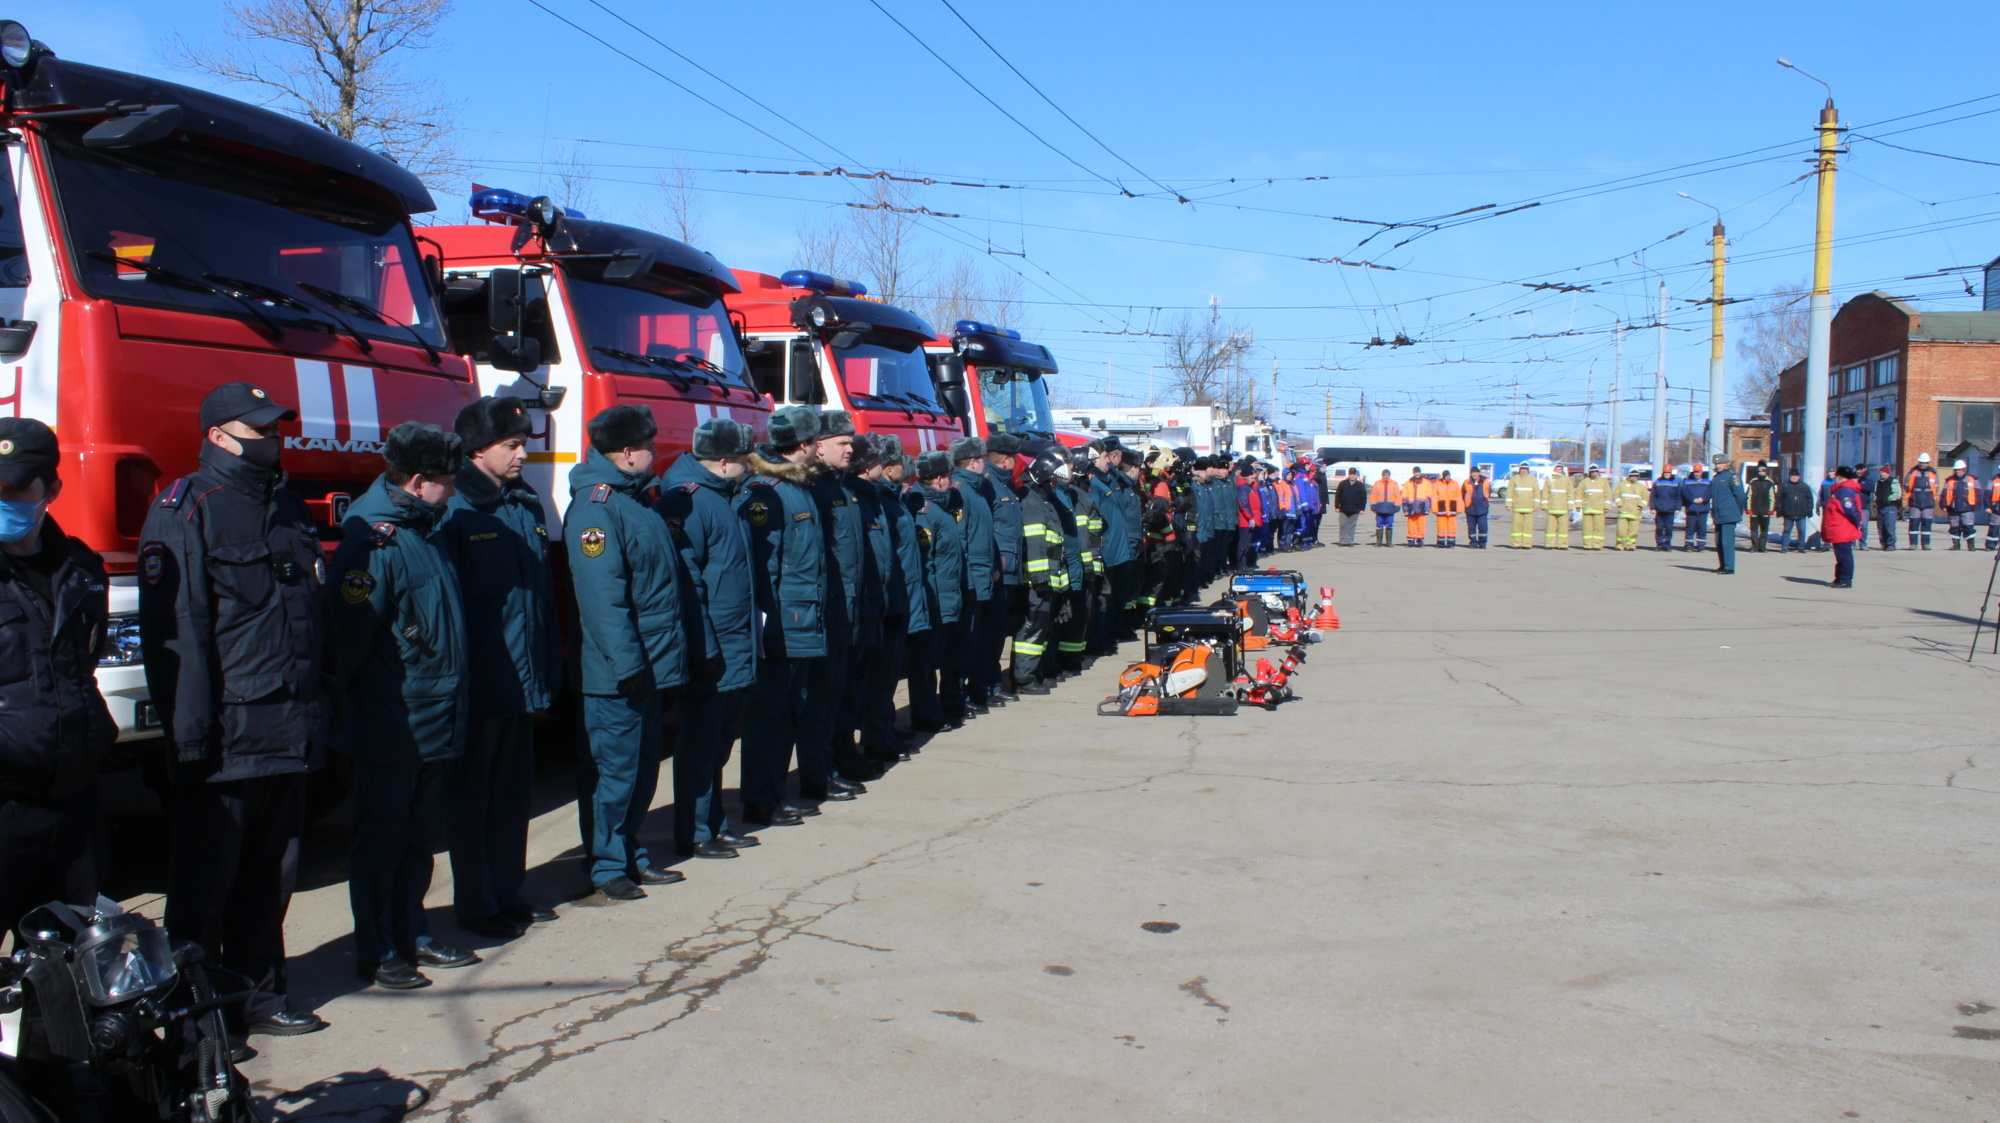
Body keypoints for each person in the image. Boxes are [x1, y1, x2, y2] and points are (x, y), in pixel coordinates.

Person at [137, 385, 328, 1034]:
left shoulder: (289, 509)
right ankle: (196, 1020)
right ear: (218, 435)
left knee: (270, 880)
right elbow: (180, 636)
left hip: (287, 728)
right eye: (258, 430)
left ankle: (260, 998)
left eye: (275, 428)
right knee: (203, 891)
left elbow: (309, 623)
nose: (272, 439)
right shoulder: (187, 508)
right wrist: (189, 735)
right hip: (225, 737)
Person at [325, 422, 478, 990]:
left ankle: (412, 930)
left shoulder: (426, 530)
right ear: (418, 482)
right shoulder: (375, 541)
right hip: (394, 719)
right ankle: (379, 946)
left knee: (417, 839)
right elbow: (349, 641)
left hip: (434, 712)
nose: (455, 491)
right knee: (382, 840)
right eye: (446, 481)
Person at [438, 396, 560, 938]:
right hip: (483, 677)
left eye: (524, 445)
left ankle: (508, 891)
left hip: (523, 676)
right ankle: (476, 902)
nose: (521, 456)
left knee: (512, 796)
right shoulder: (456, 510)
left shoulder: (524, 503)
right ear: (477, 449)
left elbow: (538, 599)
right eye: (512, 446)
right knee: (474, 799)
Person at [563, 405, 688, 902]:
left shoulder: (638, 501)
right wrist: (627, 662)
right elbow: (602, 597)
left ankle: (630, 853)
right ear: (628, 452)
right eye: (650, 447)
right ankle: (605, 864)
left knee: (641, 768)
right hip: (618, 670)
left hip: (652, 661)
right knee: (612, 772)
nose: (656, 455)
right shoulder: (597, 507)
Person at [0, 419, 114, 960]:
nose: (3, 497)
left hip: (72, 799)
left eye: (16, 487)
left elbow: (81, 667)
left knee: (71, 955)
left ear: (51, 490)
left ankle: (54, 1049)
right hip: (6, 802)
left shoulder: (83, 570)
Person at [658, 418, 761, 859]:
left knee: (719, 740)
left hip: (735, 639)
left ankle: (713, 821)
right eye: (743, 460)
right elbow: (689, 581)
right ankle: (695, 829)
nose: (749, 468)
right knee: (701, 742)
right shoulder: (692, 502)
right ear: (723, 462)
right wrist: (705, 647)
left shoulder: (725, 496)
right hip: (713, 643)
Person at [738, 406, 826, 824]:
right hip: (782, 624)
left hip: (802, 621)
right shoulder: (766, 490)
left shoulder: (799, 486)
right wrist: (766, 629)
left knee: (790, 709)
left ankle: (773, 791)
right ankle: (760, 798)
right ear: (805, 445)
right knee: (768, 714)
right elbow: (763, 567)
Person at [803, 411, 871, 794]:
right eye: (843, 443)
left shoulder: (840, 486)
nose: (851, 449)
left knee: (836, 697)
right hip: (828, 611)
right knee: (820, 700)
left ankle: (832, 763)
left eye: (851, 442)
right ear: (818, 445)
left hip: (848, 609)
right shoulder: (816, 489)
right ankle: (818, 775)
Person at [905, 452, 966, 731]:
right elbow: (925, 561)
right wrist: (930, 601)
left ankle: (940, 707)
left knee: (943, 656)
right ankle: (926, 714)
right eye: (949, 477)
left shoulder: (940, 507)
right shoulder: (925, 512)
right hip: (935, 599)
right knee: (926, 663)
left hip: (946, 597)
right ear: (940, 479)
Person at [950, 437, 1000, 708]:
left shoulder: (977, 490)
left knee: (974, 643)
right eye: (982, 459)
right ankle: (958, 697)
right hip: (971, 582)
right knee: (962, 646)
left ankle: (970, 693)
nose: (985, 463)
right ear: (973, 461)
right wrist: (970, 579)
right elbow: (961, 542)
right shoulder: (962, 491)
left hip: (982, 578)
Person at [980, 433, 1025, 702]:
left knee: (998, 634)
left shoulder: (1004, 486)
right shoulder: (989, 485)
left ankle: (992, 683)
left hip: (1009, 571)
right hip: (999, 572)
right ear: (1005, 459)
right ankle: (986, 685)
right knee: (990, 634)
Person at [1822, 465, 1865, 588]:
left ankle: (1845, 579)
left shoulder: (1844, 491)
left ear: (1840, 477)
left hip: (1843, 528)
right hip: (1838, 528)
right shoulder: (1840, 490)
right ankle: (1839, 578)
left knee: (1844, 555)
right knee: (1840, 555)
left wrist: (1858, 522)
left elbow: (1850, 510)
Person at [1708, 457, 1746, 574]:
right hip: (1718, 514)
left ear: (1726, 463)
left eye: (1720, 463)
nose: (1718, 465)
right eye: (1716, 463)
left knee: (1727, 541)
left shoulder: (1732, 476)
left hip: (1729, 513)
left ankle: (1729, 566)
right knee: (1719, 541)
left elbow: (1740, 496)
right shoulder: (1717, 477)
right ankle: (1723, 565)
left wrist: (1737, 511)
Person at [1940, 459, 1982, 551]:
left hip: (1968, 508)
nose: (1957, 471)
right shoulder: (1949, 480)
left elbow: (1978, 494)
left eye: (1959, 469)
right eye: (1956, 469)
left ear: (1964, 469)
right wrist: (1943, 505)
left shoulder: (1973, 480)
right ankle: (1956, 545)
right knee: (1954, 527)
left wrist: (1977, 506)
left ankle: (1971, 546)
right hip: (1953, 508)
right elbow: (1944, 493)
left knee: (1968, 527)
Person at [1905, 452, 1938, 550]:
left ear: (1928, 463)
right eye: (1922, 462)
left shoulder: (1932, 473)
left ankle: (1926, 544)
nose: (1923, 464)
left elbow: (1936, 487)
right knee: (1914, 523)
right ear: (1919, 462)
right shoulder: (1913, 472)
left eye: (1925, 462)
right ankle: (1913, 544)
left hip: (1928, 503)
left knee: (1927, 524)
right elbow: (1906, 485)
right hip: (1915, 502)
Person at [1576, 464, 1612, 550]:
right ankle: (1587, 545)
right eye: (1592, 472)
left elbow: (1608, 495)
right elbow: (1579, 494)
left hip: (1599, 509)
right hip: (1587, 508)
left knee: (1598, 528)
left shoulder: (1603, 482)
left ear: (1598, 472)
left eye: (1595, 471)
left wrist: (1607, 506)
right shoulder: (1584, 482)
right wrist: (1578, 506)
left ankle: (1597, 545)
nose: (1593, 473)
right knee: (1586, 528)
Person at [1777, 468, 1814, 552]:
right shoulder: (1785, 486)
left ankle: (1801, 547)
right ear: (1789, 476)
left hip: (1801, 513)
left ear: (1799, 477)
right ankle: (1784, 547)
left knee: (1802, 530)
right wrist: (1779, 509)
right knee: (1787, 530)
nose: (1794, 477)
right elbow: (1779, 499)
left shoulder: (1804, 486)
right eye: (1792, 476)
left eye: (1796, 476)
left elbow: (1809, 499)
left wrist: (1809, 510)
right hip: (1788, 513)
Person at [1538, 464, 1574, 549]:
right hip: (1551, 508)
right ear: (1554, 470)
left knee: (1563, 529)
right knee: (1550, 528)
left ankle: (1563, 545)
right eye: (1557, 469)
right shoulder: (1549, 480)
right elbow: (1545, 493)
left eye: (1560, 469)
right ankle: (1549, 544)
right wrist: (1544, 505)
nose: (1558, 471)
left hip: (1563, 508)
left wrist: (1570, 506)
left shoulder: (1567, 480)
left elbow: (1570, 493)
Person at [1745, 464, 1778, 553]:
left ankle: (1762, 547)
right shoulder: (1753, 482)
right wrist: (1748, 508)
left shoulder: (1770, 483)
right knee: (1754, 530)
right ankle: (1754, 546)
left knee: (1764, 530)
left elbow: (1772, 497)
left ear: (1766, 472)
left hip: (1765, 510)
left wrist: (1771, 509)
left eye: (1763, 471)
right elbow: (1748, 496)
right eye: (1760, 471)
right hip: (1754, 510)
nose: (1761, 473)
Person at [1680, 464, 1712, 552]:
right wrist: (1692, 500)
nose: (1697, 474)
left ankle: (1701, 546)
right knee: (1690, 528)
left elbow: (1709, 492)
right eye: (1695, 472)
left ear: (1702, 472)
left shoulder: (1708, 482)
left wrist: (1703, 499)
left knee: (1702, 528)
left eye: (1698, 472)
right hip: (1691, 508)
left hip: (1703, 508)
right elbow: (1684, 492)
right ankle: (1689, 545)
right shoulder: (1687, 482)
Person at [1613, 469, 1647, 551]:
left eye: (1636, 476)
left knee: (1633, 531)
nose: (1634, 477)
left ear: (1638, 477)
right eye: (1632, 476)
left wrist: (1640, 505)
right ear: (1629, 476)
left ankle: (1630, 545)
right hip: (1623, 512)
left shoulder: (1641, 487)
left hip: (1635, 512)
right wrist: (1620, 504)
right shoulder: (1621, 485)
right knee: (1621, 530)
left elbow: (1646, 497)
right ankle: (1620, 545)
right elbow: (1615, 495)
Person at [1649, 465, 1681, 551]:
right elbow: (1653, 496)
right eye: (1666, 472)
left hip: (1670, 509)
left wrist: (1678, 507)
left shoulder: (1676, 483)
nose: (1667, 474)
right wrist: (1652, 507)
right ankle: (1659, 544)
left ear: (1671, 473)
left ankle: (1667, 544)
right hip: (1659, 509)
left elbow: (1678, 496)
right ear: (1663, 472)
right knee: (1659, 527)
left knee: (1669, 528)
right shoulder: (1657, 482)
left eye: (1668, 473)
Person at [1334, 467, 1367, 547]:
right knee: (1343, 525)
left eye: (1353, 474)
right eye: (1350, 474)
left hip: (1355, 510)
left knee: (1351, 526)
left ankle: (1350, 541)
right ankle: (1342, 541)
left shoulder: (1360, 485)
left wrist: (1362, 509)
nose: (1352, 476)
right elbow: (1338, 495)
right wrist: (1337, 506)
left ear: (1356, 475)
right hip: (1343, 509)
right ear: (1349, 475)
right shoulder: (1342, 484)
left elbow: (1363, 498)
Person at [1506, 464, 1537, 548]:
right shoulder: (1514, 479)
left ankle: (1527, 544)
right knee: (1516, 527)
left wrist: (1536, 505)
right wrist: (1508, 505)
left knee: (1528, 527)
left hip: (1529, 507)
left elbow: (1536, 493)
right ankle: (1516, 544)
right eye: (1522, 469)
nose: (1523, 470)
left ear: (1528, 470)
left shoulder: (1533, 479)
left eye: (1525, 469)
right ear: (1519, 470)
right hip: (1517, 507)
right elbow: (1510, 492)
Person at [1872, 465, 1901, 550]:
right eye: (1880, 472)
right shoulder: (1879, 482)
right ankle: (1883, 544)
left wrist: (1888, 499)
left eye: (1883, 472)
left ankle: (1891, 545)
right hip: (1880, 507)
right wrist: (1876, 500)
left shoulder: (1893, 481)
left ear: (1888, 473)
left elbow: (1897, 493)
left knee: (1889, 526)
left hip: (1890, 507)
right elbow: (1875, 493)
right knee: (1881, 527)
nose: (1881, 474)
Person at [1369, 469, 1401, 548]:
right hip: (1380, 508)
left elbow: (1398, 496)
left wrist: (1397, 506)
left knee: (1389, 525)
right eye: (1385, 475)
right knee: (1379, 525)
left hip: (1390, 508)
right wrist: (1373, 506)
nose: (1386, 476)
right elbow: (1373, 496)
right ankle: (1379, 542)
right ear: (1382, 475)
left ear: (1389, 476)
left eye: (1387, 475)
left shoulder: (1394, 484)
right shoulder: (1377, 484)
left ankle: (1389, 542)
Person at [1401, 466, 1431, 547]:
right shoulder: (1408, 483)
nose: (1417, 473)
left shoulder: (1426, 483)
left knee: (1421, 525)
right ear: (1413, 473)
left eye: (1418, 472)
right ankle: (1411, 541)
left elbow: (1428, 497)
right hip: (1411, 508)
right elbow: (1404, 497)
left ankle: (1420, 541)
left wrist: (1427, 509)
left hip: (1421, 507)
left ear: (1420, 473)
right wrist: (1405, 509)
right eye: (1415, 472)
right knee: (1411, 525)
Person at [1462, 468, 1491, 548]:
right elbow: (1463, 494)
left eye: (1475, 473)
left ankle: (1482, 543)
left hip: (1482, 509)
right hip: (1470, 509)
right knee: (1471, 528)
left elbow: (1489, 493)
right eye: (1472, 473)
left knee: (1483, 527)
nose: (1474, 474)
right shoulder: (1466, 482)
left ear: (1479, 473)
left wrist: (1485, 504)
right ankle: (1473, 543)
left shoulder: (1485, 482)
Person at [1432, 469, 1461, 547]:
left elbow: (1459, 497)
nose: (1448, 477)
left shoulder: (1455, 484)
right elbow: (1434, 497)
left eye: (1449, 476)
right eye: (1446, 476)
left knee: (1452, 528)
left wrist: (1459, 509)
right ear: (1443, 477)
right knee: (1441, 528)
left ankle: (1451, 543)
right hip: (1441, 510)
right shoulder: (1437, 484)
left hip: (1452, 509)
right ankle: (1440, 543)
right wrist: (1434, 509)